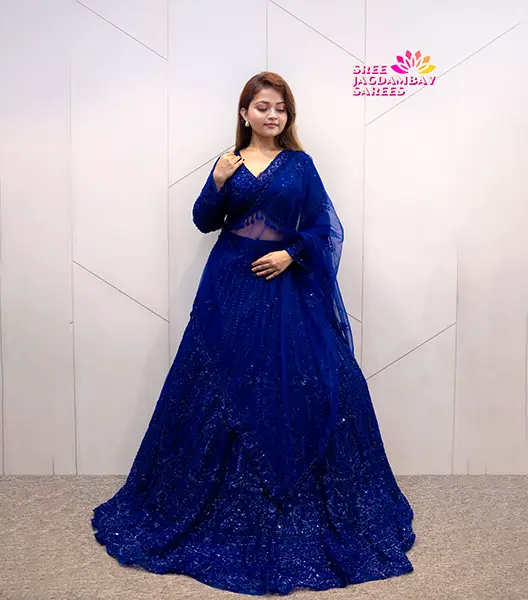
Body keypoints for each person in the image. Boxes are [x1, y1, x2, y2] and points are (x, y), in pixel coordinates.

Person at [91, 71, 416, 595]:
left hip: (287, 288)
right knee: (219, 384)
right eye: (263, 106)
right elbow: (204, 221)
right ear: (245, 112)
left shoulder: (300, 165)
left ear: (288, 116)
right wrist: (217, 182)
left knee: (317, 383)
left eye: (280, 108)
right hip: (230, 286)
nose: (272, 115)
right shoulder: (229, 162)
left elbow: (324, 227)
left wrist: (292, 252)